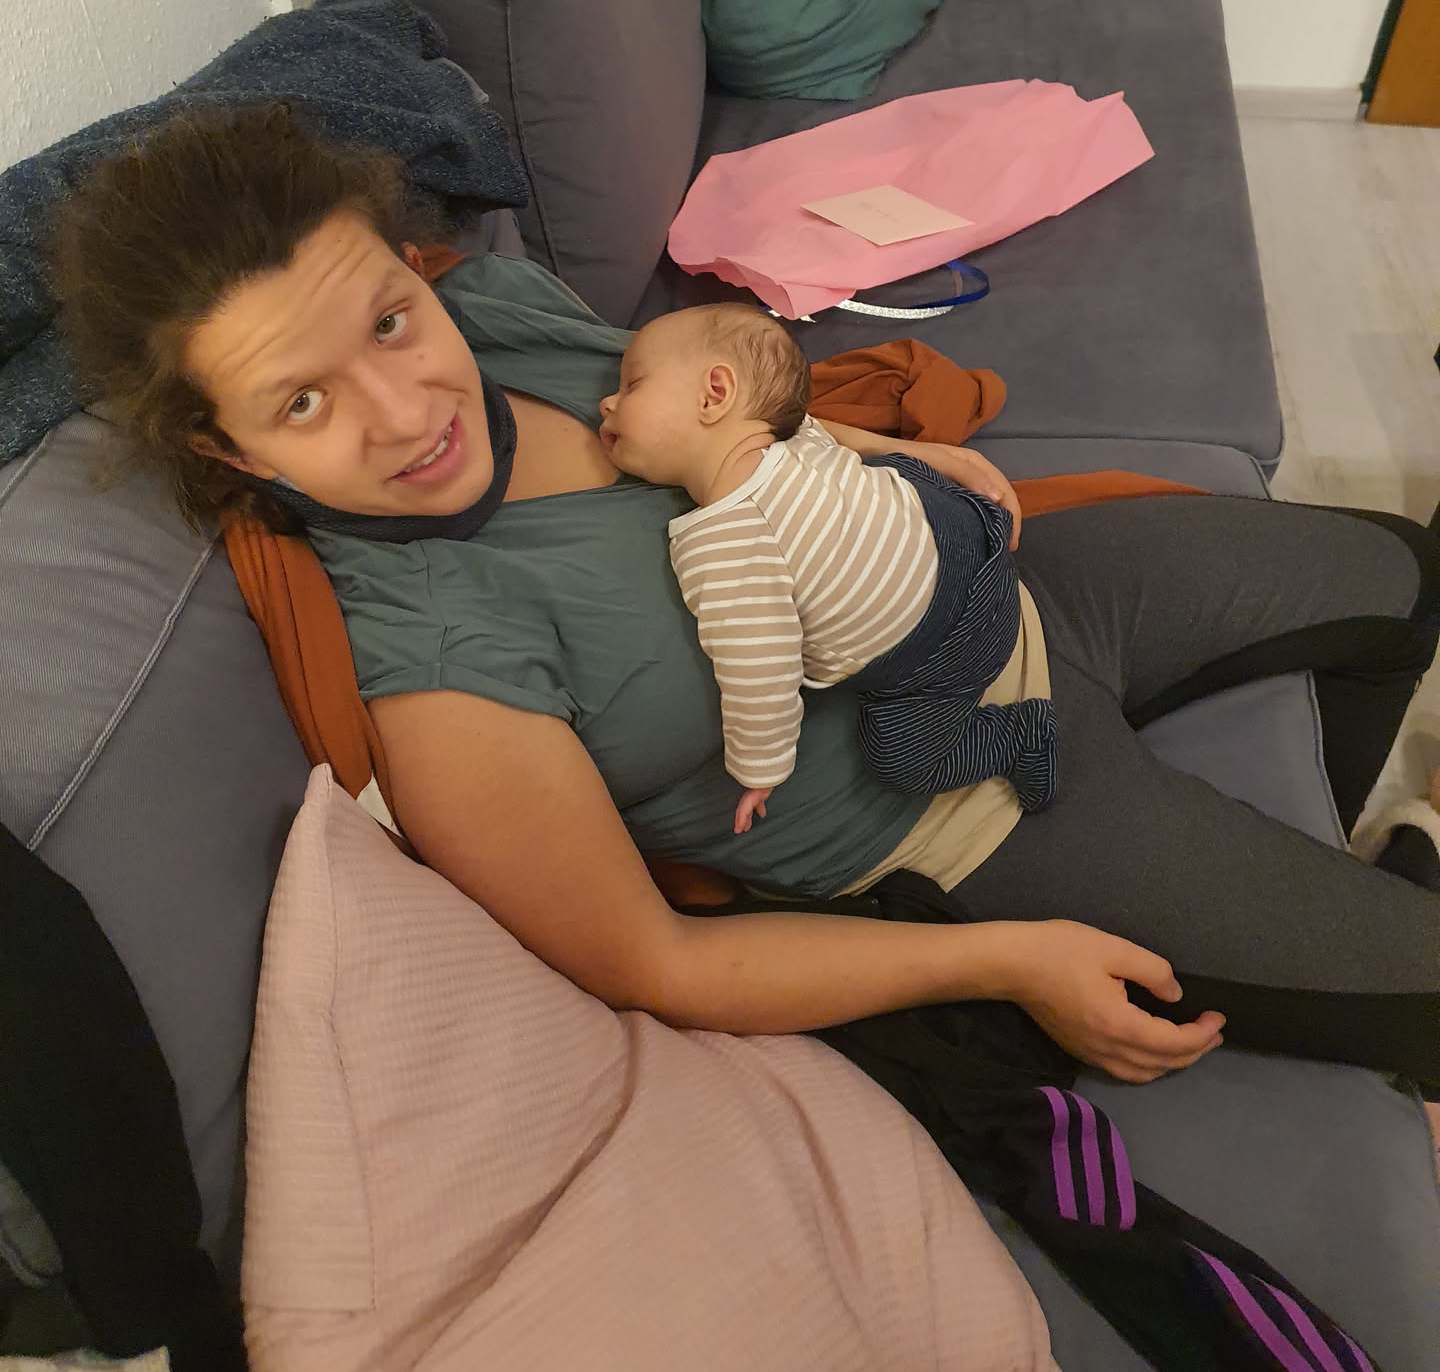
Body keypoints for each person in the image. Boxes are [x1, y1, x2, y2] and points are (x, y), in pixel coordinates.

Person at [55, 104, 1440, 1098]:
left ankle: (1321, 852)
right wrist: (1011, 964)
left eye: (388, 322)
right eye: (302, 402)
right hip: (965, 822)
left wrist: (886, 448)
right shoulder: (443, 662)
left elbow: (725, 417)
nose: (409, 408)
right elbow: (656, 963)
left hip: (1000, 597)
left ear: (416, 273)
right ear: (232, 450)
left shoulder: (504, 315)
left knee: (1403, 573)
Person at [599, 305, 1054, 835]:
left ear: (713, 394)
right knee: (884, 471)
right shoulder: (799, 437)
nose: (606, 402)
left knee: (904, 762)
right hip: (971, 528)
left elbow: (758, 665)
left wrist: (760, 768)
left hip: (949, 648)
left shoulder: (721, 541)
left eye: (631, 386)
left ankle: (1020, 737)